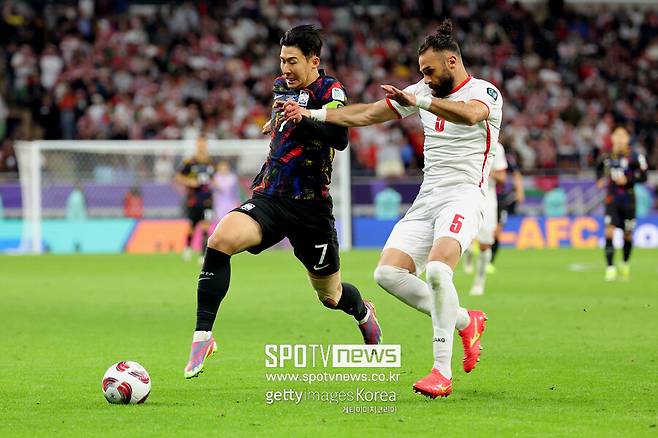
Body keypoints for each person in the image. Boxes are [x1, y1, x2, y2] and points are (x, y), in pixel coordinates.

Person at [285, 19, 502, 398]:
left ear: (452, 62)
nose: (426, 79)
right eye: (422, 74)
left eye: (430, 71)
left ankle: (440, 371)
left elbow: (469, 114)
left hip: (465, 196)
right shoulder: (423, 90)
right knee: (387, 274)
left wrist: (419, 100)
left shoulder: (485, 92)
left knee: (436, 271)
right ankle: (467, 320)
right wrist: (313, 115)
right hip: (427, 198)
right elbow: (367, 114)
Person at [183, 25, 382, 379]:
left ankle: (363, 312)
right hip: (271, 197)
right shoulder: (281, 86)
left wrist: (305, 117)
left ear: (313, 61)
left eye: (292, 61)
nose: (285, 68)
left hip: (311, 210)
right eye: (282, 61)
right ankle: (203, 336)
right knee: (219, 240)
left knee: (331, 295)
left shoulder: (330, 90)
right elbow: (282, 115)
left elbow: (340, 138)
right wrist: (272, 123)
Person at [596, 126, 648, 281]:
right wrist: (599, 179)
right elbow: (598, 170)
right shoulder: (606, 157)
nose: (619, 138)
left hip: (629, 201)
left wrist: (628, 180)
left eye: (622, 135)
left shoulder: (636, 157)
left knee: (627, 235)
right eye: (616, 135)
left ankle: (625, 263)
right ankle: (610, 268)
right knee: (609, 231)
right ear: (611, 138)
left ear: (627, 138)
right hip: (611, 200)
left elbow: (644, 176)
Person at [463, 142, 507, 296]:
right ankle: (468, 253)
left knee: (485, 243)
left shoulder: (497, 147)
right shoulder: (464, 139)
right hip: (464, 194)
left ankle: (479, 281)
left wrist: (486, 170)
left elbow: (502, 177)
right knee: (461, 235)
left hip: (487, 198)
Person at [175, 136, 215, 262]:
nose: (202, 146)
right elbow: (178, 177)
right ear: (197, 145)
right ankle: (187, 248)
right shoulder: (190, 162)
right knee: (192, 226)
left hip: (207, 200)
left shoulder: (210, 162)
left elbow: (212, 179)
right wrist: (190, 182)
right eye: (200, 144)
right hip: (193, 199)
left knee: (205, 226)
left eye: (204, 144)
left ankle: (203, 255)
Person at [488, 144, 524, 273]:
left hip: (502, 199)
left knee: (497, 230)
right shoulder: (479, 151)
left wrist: (520, 191)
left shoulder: (503, 155)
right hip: (483, 196)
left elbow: (516, 174)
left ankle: (490, 262)